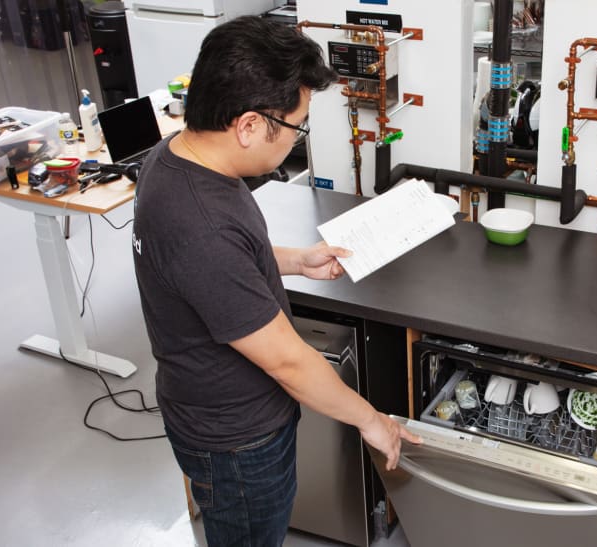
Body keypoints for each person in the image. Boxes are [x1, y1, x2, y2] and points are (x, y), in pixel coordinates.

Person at [131, 16, 420, 547]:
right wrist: (371, 420)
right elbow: (288, 360)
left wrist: (296, 259)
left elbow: (220, 265)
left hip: (210, 413)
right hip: (237, 443)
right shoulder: (202, 223)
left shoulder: (176, 157)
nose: (295, 140)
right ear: (246, 125)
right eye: (295, 126)